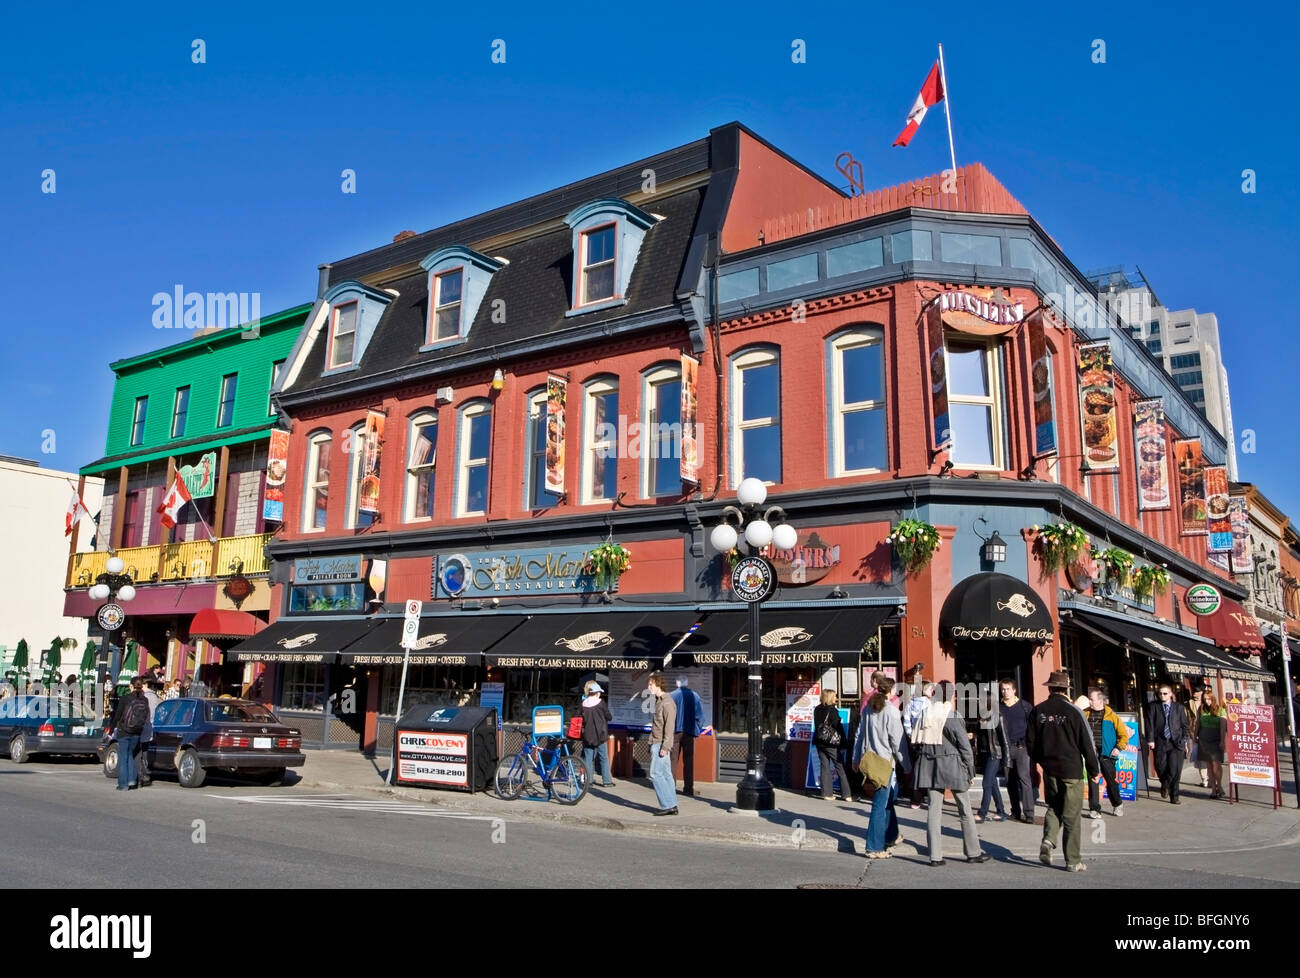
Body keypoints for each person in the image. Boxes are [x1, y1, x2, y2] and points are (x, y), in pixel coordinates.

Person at [911, 681, 988, 866]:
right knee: (964, 810)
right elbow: (965, 747)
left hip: (929, 764)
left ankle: (935, 856)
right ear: (952, 695)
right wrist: (970, 771)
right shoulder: (951, 716)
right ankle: (973, 852)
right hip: (952, 764)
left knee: (933, 811)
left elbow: (915, 741)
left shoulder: (924, 714)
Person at [1029, 671, 1099, 873]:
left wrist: (1042, 760)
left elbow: (1031, 743)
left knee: (1054, 806)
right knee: (1072, 815)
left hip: (1050, 768)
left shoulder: (1038, 711)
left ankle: (1049, 840)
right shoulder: (1074, 712)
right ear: (1066, 689)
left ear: (1050, 688)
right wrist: (1094, 769)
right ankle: (1073, 860)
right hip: (1072, 769)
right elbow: (1087, 743)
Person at [853, 676, 911, 857]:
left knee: (888, 799)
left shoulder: (869, 709)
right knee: (879, 804)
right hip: (885, 763)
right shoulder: (891, 712)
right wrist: (907, 765)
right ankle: (874, 847)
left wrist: (855, 758)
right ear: (892, 691)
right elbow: (898, 742)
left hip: (870, 760)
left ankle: (892, 834)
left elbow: (859, 735)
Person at [1085, 687, 1129, 818]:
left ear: (1100, 700)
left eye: (1092, 699)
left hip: (1107, 753)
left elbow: (1124, 735)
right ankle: (1094, 809)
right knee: (1093, 779)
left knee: (1111, 780)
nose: (1090, 702)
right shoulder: (1085, 714)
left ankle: (1117, 804)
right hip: (1091, 752)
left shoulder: (1112, 716)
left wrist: (1118, 748)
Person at [1147, 682, 1191, 804]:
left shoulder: (1179, 708)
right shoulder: (1153, 706)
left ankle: (1174, 796)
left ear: (1171, 694)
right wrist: (1150, 740)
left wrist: (1186, 740)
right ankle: (1164, 784)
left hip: (1176, 742)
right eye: (1160, 694)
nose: (1162, 696)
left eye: (1165, 693)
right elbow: (1149, 724)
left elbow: (1185, 725)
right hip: (1160, 741)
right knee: (1160, 766)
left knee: (1174, 770)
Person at [1000, 678, 1036, 823]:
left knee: (1024, 778)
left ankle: (1029, 813)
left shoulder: (1024, 706)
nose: (1005, 692)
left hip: (1021, 748)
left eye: (1008, 689)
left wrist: (1026, 743)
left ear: (1014, 690)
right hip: (1006, 748)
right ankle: (1015, 811)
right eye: (1003, 689)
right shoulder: (999, 707)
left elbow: (1033, 727)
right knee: (1010, 781)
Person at [109, 677, 150, 792]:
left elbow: (117, 716)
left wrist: (111, 730)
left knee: (124, 757)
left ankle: (123, 784)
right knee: (130, 755)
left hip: (124, 731)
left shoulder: (125, 698)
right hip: (137, 732)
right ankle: (132, 781)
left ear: (131, 686)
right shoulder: (145, 700)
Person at [974, 693, 1009, 822]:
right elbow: (980, 737)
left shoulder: (998, 717)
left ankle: (982, 813)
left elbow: (1004, 739)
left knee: (986, 783)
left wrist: (1007, 759)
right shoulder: (982, 717)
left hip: (995, 754)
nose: (979, 704)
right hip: (984, 753)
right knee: (993, 783)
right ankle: (1001, 811)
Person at [646, 673, 677, 816]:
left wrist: (665, 746)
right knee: (666, 774)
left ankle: (667, 805)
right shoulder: (659, 701)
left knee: (655, 774)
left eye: (651, 684)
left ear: (658, 684)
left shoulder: (667, 702)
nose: (649, 687)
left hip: (661, 744)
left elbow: (669, 727)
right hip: (656, 742)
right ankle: (672, 804)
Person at [812, 689, 849, 801]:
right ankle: (846, 794)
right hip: (831, 743)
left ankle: (826, 793)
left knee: (824, 766)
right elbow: (839, 728)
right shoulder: (832, 710)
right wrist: (844, 744)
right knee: (840, 766)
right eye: (835, 696)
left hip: (819, 741)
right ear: (830, 697)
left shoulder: (817, 709)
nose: (836, 698)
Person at [670, 678, 705, 796]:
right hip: (689, 732)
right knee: (688, 761)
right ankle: (688, 788)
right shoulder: (694, 696)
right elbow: (700, 715)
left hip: (674, 732)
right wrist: (697, 729)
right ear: (687, 683)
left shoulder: (671, 696)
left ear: (677, 683)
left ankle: (670, 787)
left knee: (673, 760)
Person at [903, 681, 934, 809]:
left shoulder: (910, 703)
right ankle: (930, 796)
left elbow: (906, 722)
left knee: (917, 768)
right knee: (930, 769)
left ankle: (915, 799)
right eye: (931, 690)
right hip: (928, 740)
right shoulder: (929, 704)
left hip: (915, 741)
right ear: (925, 690)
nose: (932, 692)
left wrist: (912, 736)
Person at [580, 681, 615, 788]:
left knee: (588, 758)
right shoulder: (601, 703)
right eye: (599, 692)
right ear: (597, 693)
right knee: (603, 757)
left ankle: (589, 781)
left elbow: (578, 718)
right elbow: (609, 717)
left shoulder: (583, 704)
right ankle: (607, 781)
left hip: (587, 736)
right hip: (600, 735)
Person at [1194, 691, 1226, 799]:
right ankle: (1213, 789)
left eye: (1209, 699)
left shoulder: (1220, 710)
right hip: (1204, 739)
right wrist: (1195, 736)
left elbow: (1222, 727)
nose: (1207, 701)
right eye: (1205, 699)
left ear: (1213, 699)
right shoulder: (1201, 709)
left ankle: (1220, 786)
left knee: (1216, 764)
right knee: (1208, 765)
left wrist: (1222, 740)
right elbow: (1198, 723)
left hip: (1216, 739)